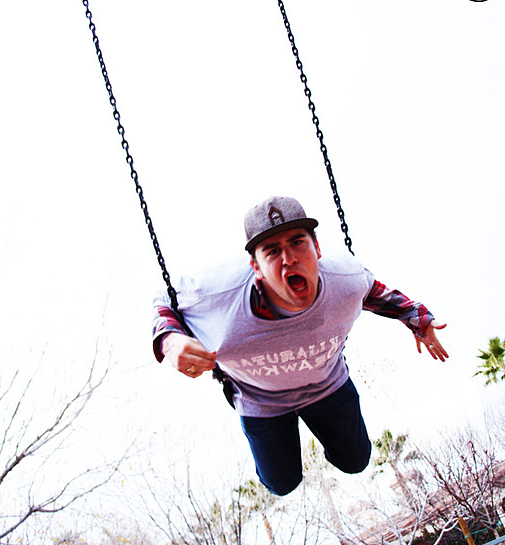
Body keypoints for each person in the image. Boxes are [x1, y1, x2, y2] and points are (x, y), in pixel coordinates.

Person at [152, 196, 448, 496]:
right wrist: (170, 341)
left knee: (356, 461)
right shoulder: (218, 296)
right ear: (255, 267)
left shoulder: (345, 280)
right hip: (259, 399)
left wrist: (419, 319)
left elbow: (378, 294)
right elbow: (164, 300)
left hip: (325, 383)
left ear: (317, 248)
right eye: (272, 251)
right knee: (282, 484)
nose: (289, 259)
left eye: (298, 242)